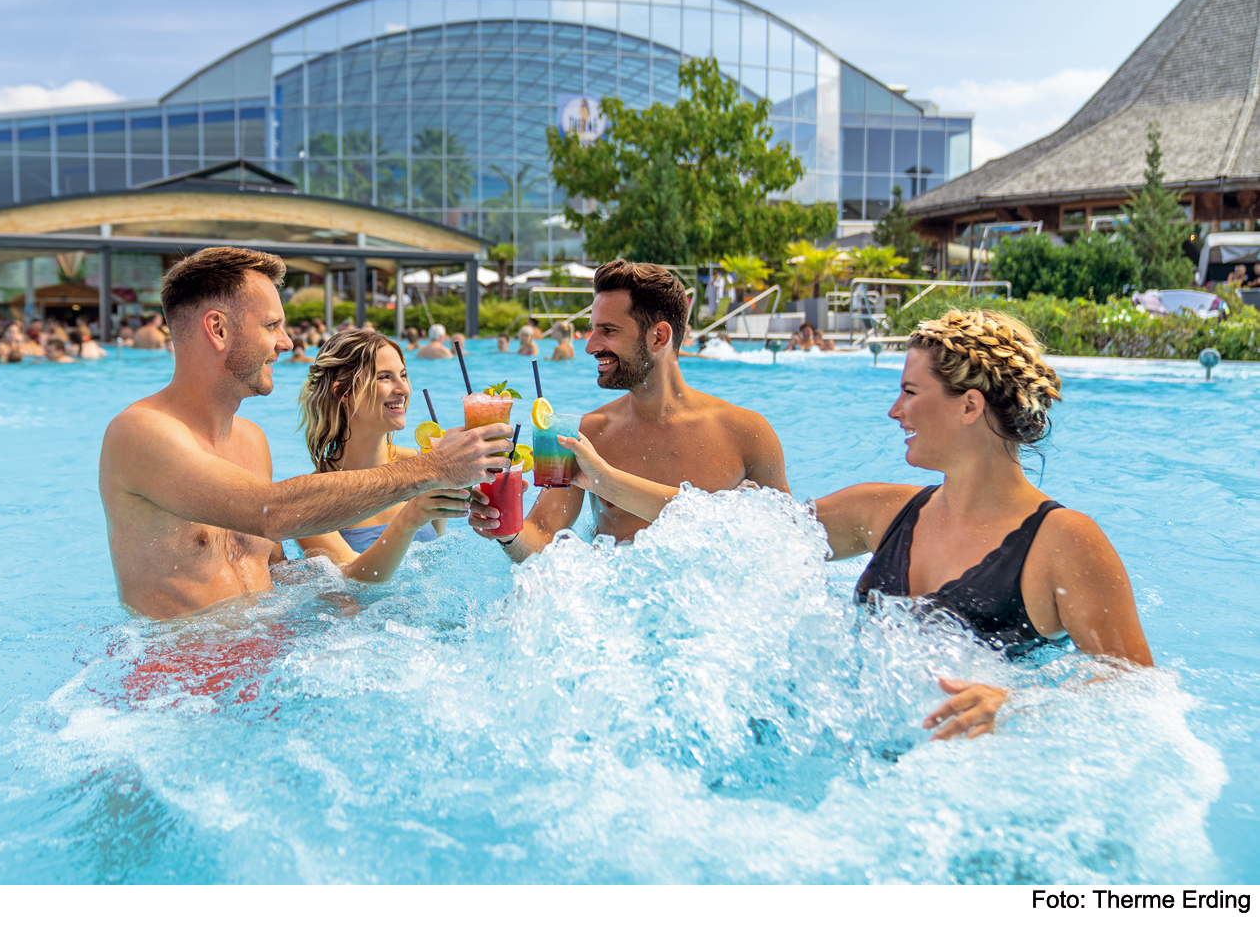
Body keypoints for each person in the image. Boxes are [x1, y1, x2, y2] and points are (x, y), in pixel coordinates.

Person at [98, 246, 510, 620]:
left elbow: (277, 571)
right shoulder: (140, 432)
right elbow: (272, 513)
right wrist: (434, 468)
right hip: (181, 669)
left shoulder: (251, 441)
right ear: (218, 329)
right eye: (271, 325)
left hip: (266, 657)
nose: (286, 342)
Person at [812, 309, 1153, 739]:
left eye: (910, 392)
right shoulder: (878, 511)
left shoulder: (1063, 542)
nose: (895, 411)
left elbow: (1136, 690)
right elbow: (750, 533)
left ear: (970, 405)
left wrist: (1017, 704)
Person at [470, 260, 789, 556]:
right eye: (592, 329)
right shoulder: (582, 434)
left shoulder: (747, 434)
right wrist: (507, 529)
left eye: (608, 330)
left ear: (659, 337)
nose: (590, 346)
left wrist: (606, 481)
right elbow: (541, 533)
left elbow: (789, 540)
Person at [293, 331, 468, 571]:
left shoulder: (422, 465)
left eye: (403, 375)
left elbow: (437, 555)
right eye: (385, 377)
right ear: (343, 393)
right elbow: (353, 580)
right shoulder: (311, 501)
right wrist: (409, 519)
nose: (403, 389)